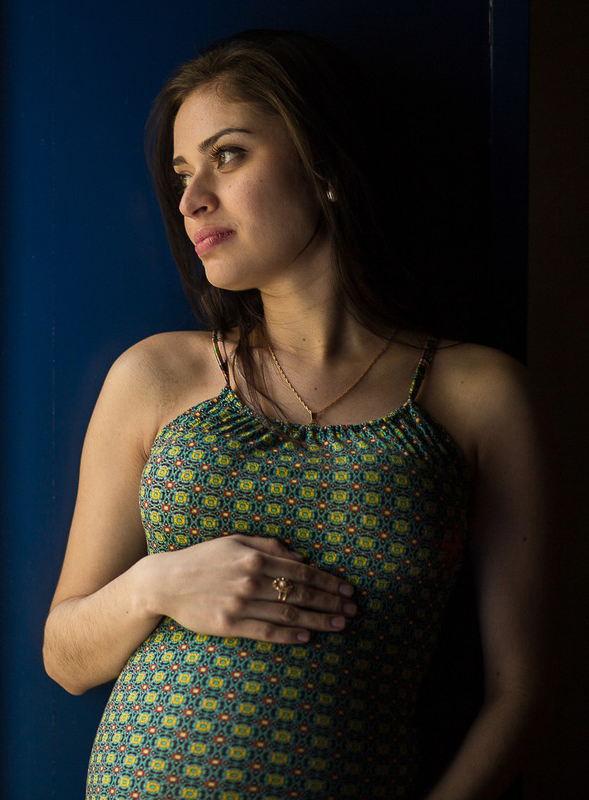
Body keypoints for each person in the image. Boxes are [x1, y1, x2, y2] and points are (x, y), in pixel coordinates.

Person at [42, 30, 551, 800]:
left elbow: (523, 696)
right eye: (181, 174)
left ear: (326, 165)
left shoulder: (478, 394)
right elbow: (64, 656)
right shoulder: (156, 376)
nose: (191, 200)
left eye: (227, 155)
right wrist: (158, 585)